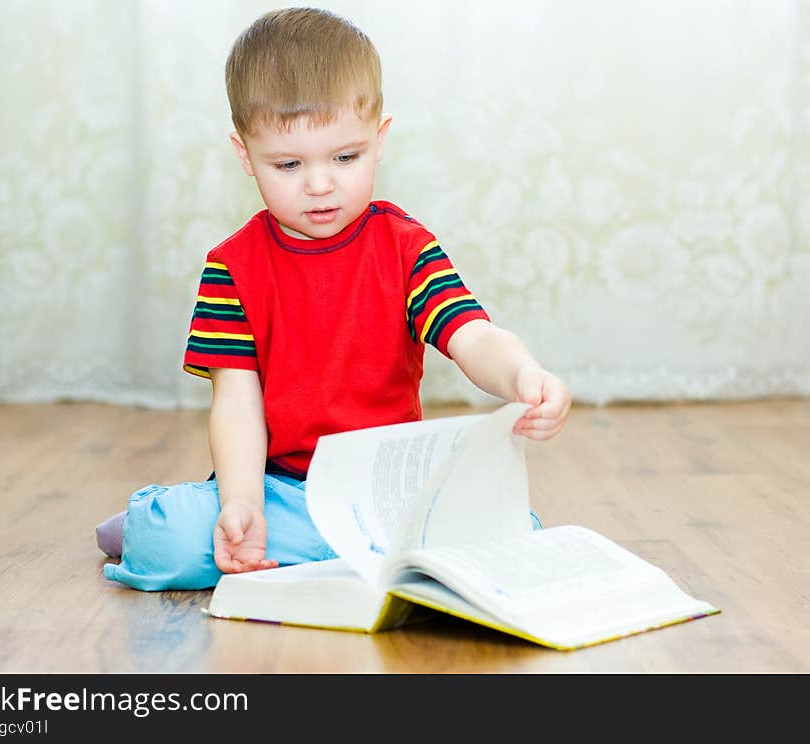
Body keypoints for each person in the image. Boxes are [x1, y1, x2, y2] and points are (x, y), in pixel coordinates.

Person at [98, 6, 571, 591]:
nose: (320, 185)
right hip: (284, 494)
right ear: (245, 156)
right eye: (289, 164)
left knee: (510, 532)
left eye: (345, 158)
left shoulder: (406, 249)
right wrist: (242, 504)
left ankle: (341, 554)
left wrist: (523, 373)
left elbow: (472, 336)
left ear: (379, 139)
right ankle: (157, 518)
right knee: (168, 542)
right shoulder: (231, 269)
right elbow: (238, 405)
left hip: (387, 493)